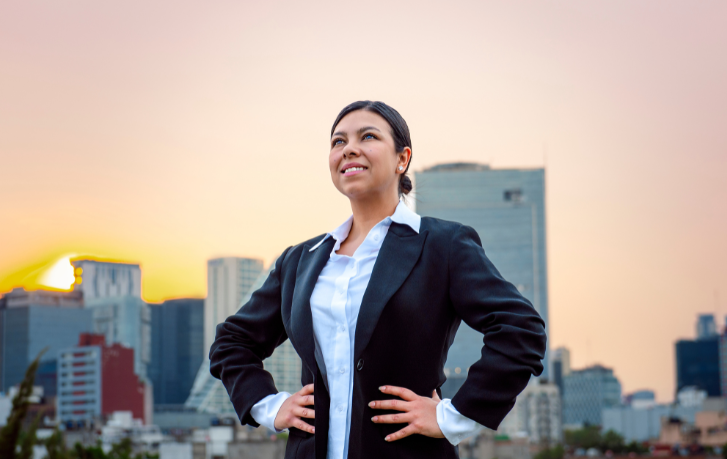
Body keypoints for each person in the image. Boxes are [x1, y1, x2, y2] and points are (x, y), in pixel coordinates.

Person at [210, 100, 547, 459]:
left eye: (367, 136)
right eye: (338, 142)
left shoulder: (443, 245)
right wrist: (270, 406)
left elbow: (520, 329)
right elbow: (232, 342)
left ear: (403, 158)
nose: (349, 148)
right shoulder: (299, 260)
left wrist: (455, 416)